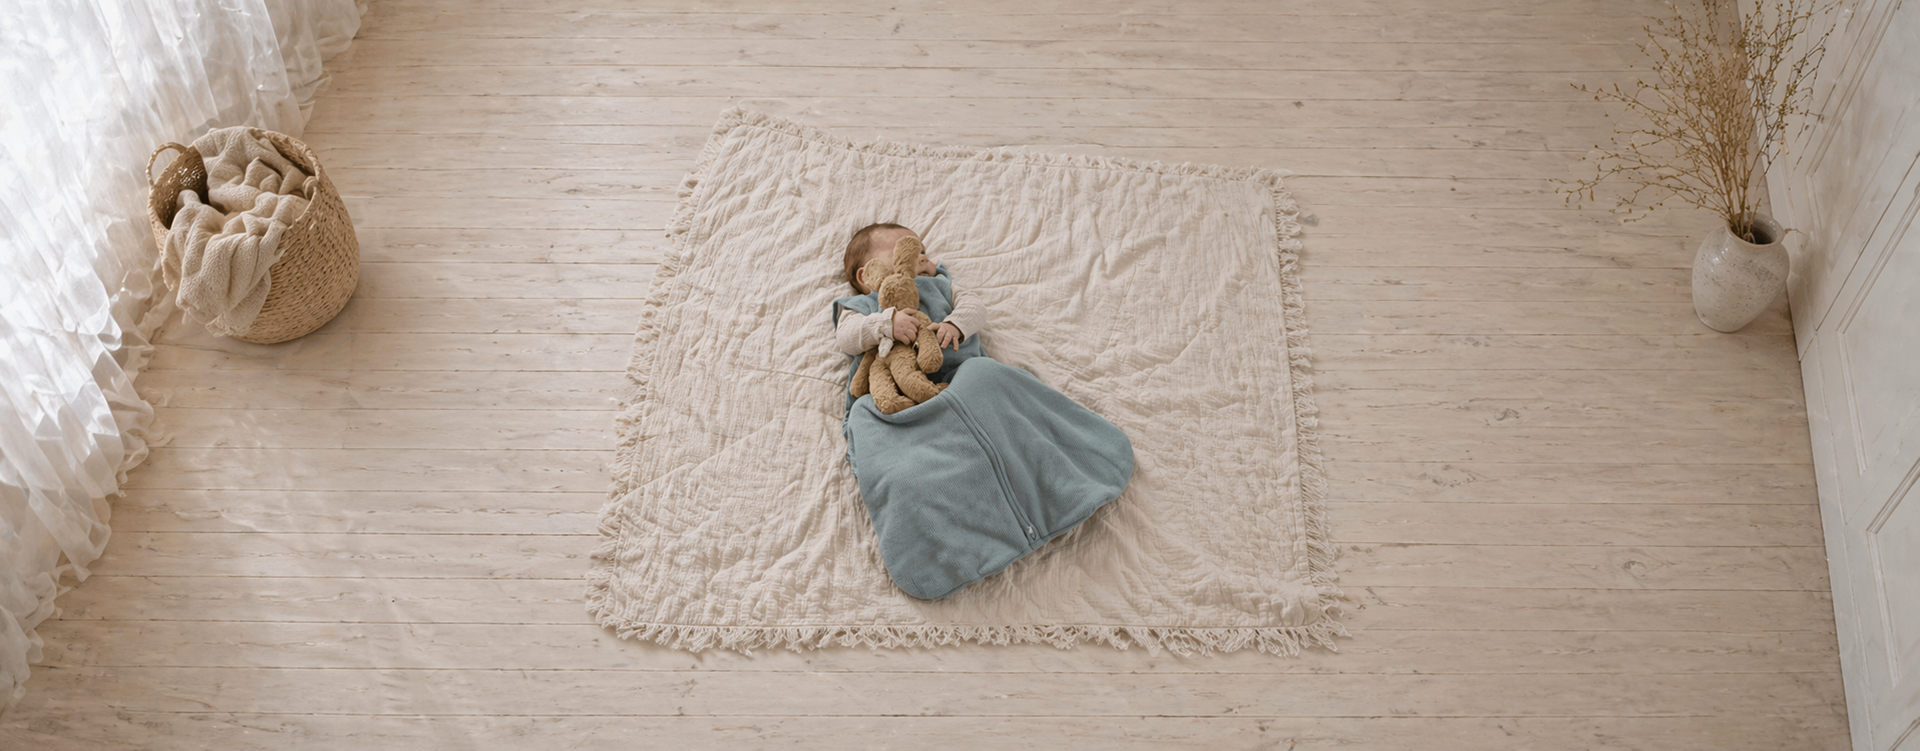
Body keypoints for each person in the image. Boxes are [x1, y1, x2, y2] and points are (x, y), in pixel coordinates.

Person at [832, 223, 984, 364]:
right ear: (868, 276)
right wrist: (886, 324)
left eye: (922, 252)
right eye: (903, 253)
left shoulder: (940, 284)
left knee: (987, 371)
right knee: (872, 393)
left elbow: (974, 305)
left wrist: (955, 324)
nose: (923, 258)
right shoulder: (863, 304)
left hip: (958, 367)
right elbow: (845, 337)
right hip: (898, 381)